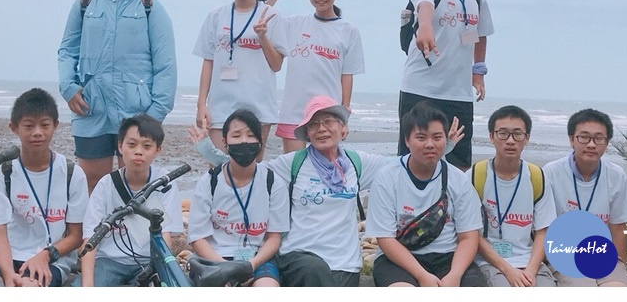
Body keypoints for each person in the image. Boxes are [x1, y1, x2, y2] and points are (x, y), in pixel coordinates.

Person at [191, 94, 465, 287]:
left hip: (345, 263)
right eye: (314, 124)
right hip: (299, 258)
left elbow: (404, 165)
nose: (322, 129)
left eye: (329, 121)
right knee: (314, 271)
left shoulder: (358, 163)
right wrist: (207, 149)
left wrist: (443, 148)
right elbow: (246, 165)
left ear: (343, 129)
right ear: (306, 133)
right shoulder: (293, 164)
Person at [58, 0, 177, 194]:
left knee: (132, 183)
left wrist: (155, 115)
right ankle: (92, 234)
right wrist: (68, 86)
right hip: (91, 108)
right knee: (91, 182)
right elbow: (67, 50)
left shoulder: (150, 7)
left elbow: (165, 65)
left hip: (136, 111)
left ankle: (130, 234)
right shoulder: (85, 3)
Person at [398, 0, 492, 171]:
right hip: (420, 89)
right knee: (413, 158)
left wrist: (478, 72)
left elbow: (478, 33)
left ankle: (452, 208)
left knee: (459, 162)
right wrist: (425, 27)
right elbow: (425, 6)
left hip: (458, 94)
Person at [367, 101, 486, 287]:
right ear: (407, 140)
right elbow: (386, 238)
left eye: (437, 137)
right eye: (421, 138)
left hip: (449, 258)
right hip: (400, 260)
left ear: (446, 140)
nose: (430, 144)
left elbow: (468, 237)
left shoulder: (458, 179)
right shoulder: (387, 178)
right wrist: (422, 276)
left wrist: (455, 275)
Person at [0, 88, 88, 287]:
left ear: (55, 126)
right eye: (29, 126)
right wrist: (8, 274)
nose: (37, 132)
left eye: (45, 125)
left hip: (53, 259)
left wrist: (46, 255)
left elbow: (76, 236)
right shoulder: (0, 176)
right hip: (7, 256)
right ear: (14, 128)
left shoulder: (72, 173)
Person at [194, 0, 288, 153]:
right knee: (218, 167)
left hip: (259, 105)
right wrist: (201, 104)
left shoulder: (271, 15)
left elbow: (276, 65)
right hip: (221, 106)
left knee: (252, 168)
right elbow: (208, 61)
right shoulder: (216, 17)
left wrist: (262, 37)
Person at [188, 110, 288, 287]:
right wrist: (227, 268)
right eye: (236, 135)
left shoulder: (273, 182)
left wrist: (251, 265)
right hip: (215, 258)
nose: (244, 141)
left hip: (257, 258)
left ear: (260, 142)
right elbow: (198, 238)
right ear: (225, 143)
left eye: (251, 135)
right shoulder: (209, 181)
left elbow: (274, 237)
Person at [80, 114, 182, 286]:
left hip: (147, 262)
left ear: (158, 150)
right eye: (132, 144)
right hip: (109, 261)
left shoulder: (164, 182)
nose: (138, 151)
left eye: (147, 146)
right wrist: (87, 287)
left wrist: (164, 272)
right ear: (120, 146)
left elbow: (165, 234)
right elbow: (90, 236)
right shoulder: (106, 184)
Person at [275, 0, 365, 152]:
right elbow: (260, 19)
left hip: (328, 116)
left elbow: (347, 76)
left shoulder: (348, 31)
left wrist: (344, 117)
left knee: (325, 173)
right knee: (295, 172)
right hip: (294, 113)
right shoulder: (293, 24)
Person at [542, 108, 627, 286]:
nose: (591, 144)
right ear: (571, 139)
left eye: (599, 138)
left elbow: (618, 229)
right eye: (584, 137)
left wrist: (625, 275)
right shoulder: (551, 172)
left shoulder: (616, 175)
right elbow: (542, 228)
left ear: (607, 143)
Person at [473, 105, 557, 287]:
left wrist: (531, 270)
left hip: (529, 262)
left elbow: (543, 230)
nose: (510, 141)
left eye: (517, 134)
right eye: (502, 133)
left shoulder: (537, 177)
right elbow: (471, 233)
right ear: (491, 136)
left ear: (527, 138)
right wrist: (507, 270)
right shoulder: (475, 176)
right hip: (489, 263)